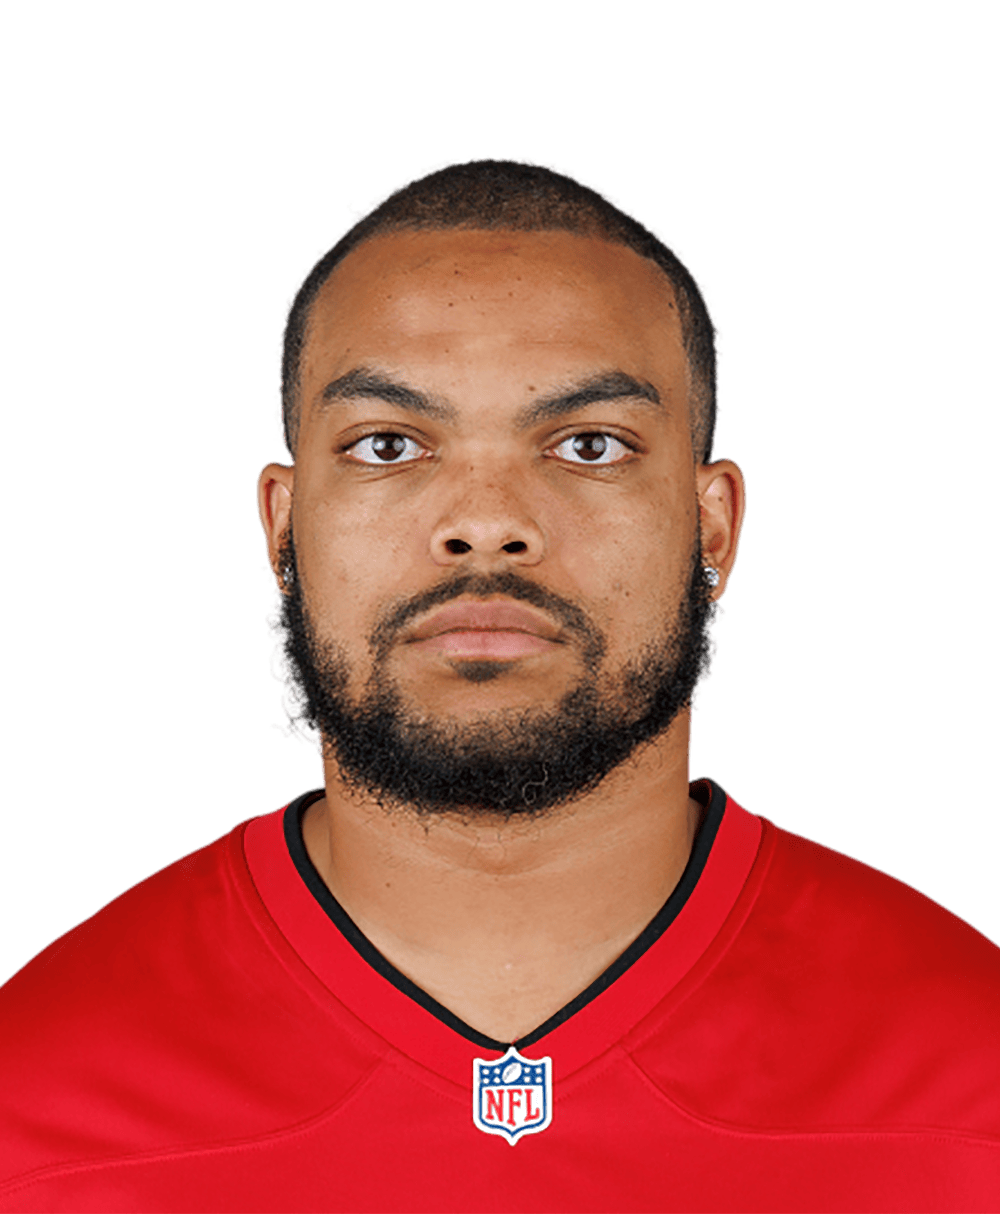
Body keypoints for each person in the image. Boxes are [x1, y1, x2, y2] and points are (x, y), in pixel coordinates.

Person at [1, 157, 997, 1213]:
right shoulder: (34, 1097)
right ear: (283, 529)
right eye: (388, 444)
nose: (485, 523)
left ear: (712, 526)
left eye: (587, 443)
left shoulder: (970, 1075)